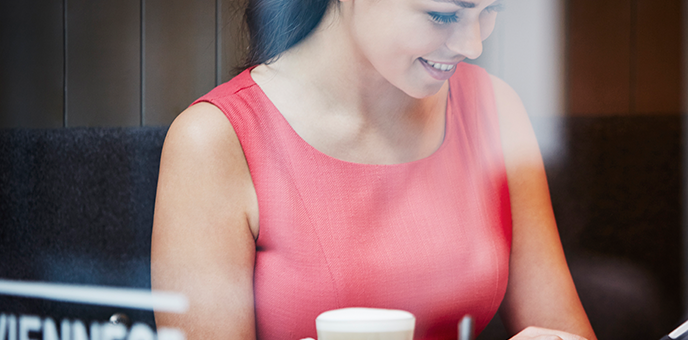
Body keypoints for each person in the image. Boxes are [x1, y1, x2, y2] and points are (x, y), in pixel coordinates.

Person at [151, 0, 596, 339]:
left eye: (490, 10)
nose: (472, 44)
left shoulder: (494, 110)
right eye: (443, 15)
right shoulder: (216, 141)